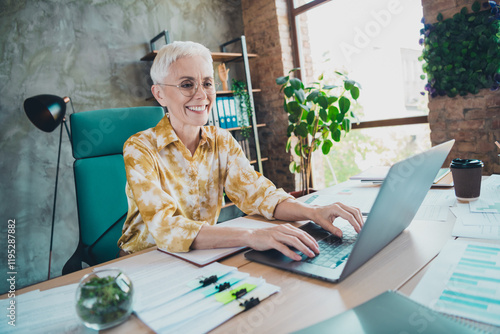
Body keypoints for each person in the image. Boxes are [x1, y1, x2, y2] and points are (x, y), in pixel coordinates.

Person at [117, 41, 364, 261]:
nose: (201, 95)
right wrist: (251, 236)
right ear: (159, 94)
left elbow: (257, 193)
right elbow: (165, 228)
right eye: (187, 84)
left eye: (207, 83)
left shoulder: (221, 141)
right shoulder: (140, 148)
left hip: (198, 255)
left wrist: (313, 212)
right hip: (145, 260)